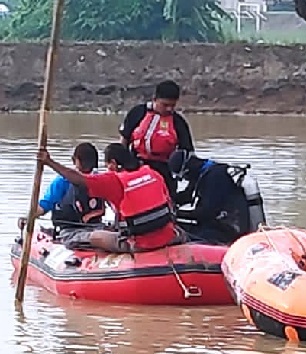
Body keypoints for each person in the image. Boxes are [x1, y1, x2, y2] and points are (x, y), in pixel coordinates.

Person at [36, 143, 186, 254]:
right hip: (170, 237)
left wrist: (49, 162)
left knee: (96, 237)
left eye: (107, 165)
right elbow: (169, 204)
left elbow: (78, 179)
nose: (106, 168)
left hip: (141, 244)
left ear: (113, 163)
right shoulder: (152, 174)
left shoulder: (113, 181)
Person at [18, 143, 107, 248]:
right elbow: (44, 206)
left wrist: (28, 217)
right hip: (72, 232)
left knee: (101, 236)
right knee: (99, 236)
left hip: (94, 229)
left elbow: (43, 207)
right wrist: (28, 217)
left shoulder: (99, 180)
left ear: (75, 160)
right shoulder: (101, 180)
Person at [119, 80, 194, 202]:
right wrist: (122, 165)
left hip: (164, 172)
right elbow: (124, 140)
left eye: (172, 105)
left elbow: (188, 154)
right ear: (154, 99)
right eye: (165, 105)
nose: (169, 109)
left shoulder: (178, 122)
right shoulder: (137, 113)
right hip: (136, 168)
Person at [167, 149, 250, 245]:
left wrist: (177, 214)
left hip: (227, 229)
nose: (184, 180)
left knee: (183, 236)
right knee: (175, 228)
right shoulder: (201, 171)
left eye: (183, 177)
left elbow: (205, 213)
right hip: (213, 224)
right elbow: (187, 195)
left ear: (187, 170)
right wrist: (167, 202)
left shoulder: (215, 177)